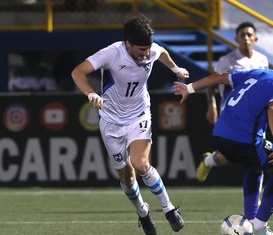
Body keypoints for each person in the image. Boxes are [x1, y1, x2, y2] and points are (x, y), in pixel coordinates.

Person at [71, 14, 187, 235]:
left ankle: (169, 208)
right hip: (111, 120)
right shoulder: (112, 53)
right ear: (128, 44)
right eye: (141, 50)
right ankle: (143, 212)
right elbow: (78, 72)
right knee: (126, 175)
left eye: (148, 49)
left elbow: (162, 53)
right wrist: (91, 94)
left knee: (141, 164)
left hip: (139, 115)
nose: (146, 54)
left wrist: (176, 69)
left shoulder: (151, 50)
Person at [173, 58, 273, 235]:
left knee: (255, 167)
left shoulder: (260, 72)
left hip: (219, 135)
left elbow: (221, 77)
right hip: (244, 139)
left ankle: (251, 221)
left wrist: (190, 88)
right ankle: (260, 228)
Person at [198, 21, 270, 183]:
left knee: (258, 155)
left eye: (249, 35)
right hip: (232, 113)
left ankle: (254, 204)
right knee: (227, 158)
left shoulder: (262, 60)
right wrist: (212, 106)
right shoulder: (227, 60)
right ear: (236, 39)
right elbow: (211, 82)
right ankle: (208, 161)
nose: (246, 38)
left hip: (256, 115)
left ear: (255, 39)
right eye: (242, 35)